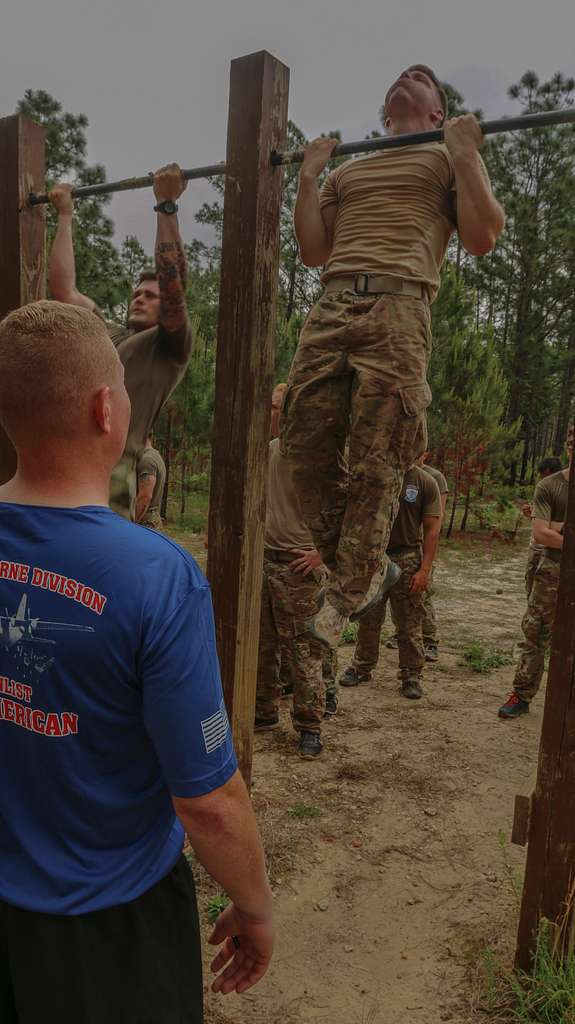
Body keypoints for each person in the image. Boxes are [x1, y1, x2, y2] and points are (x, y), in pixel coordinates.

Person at [0, 301, 273, 1024]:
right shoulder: (155, 577)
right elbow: (208, 801)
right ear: (105, 409)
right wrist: (255, 906)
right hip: (108, 927)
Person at [280, 64, 505, 647]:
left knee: (379, 460)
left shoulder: (445, 157)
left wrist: (466, 153)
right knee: (301, 441)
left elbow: (483, 237)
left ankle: (349, 590)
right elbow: (311, 250)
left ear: (437, 112)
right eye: (401, 75)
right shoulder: (351, 169)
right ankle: (368, 569)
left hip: (400, 307)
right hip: (332, 302)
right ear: (387, 112)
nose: (407, 75)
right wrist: (309, 176)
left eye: (422, 77)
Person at [46, 163, 193, 519]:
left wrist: (166, 205)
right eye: (136, 292)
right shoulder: (108, 334)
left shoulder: (169, 347)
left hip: (113, 471)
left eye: (149, 294)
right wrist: (65, 215)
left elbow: (173, 286)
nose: (138, 297)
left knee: (100, 566)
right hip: (68, 465)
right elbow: (64, 291)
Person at [255, 385, 337, 759]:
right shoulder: (268, 451)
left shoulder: (315, 457)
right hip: (265, 560)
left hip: (299, 566)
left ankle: (309, 725)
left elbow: (351, 506)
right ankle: (263, 711)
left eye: (273, 407)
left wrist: (323, 553)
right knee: (262, 645)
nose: (269, 414)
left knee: (305, 652)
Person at [339, 462, 442, 699]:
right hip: (374, 558)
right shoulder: (375, 474)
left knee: (409, 621)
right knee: (368, 616)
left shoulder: (425, 482)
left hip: (407, 557)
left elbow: (432, 530)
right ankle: (362, 667)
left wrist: (424, 570)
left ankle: (411, 675)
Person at [499, 429, 573, 719]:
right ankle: (522, 694)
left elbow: (551, 530)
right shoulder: (550, 485)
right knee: (535, 634)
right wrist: (556, 530)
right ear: (568, 447)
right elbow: (541, 534)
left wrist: (559, 528)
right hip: (552, 571)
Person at [387, 452, 448, 660]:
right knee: (373, 613)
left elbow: (435, 524)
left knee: (418, 602)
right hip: (381, 554)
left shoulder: (430, 479)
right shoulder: (384, 473)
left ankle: (428, 642)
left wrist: (425, 567)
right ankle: (363, 665)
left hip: (412, 551)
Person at [521, 456, 563, 598]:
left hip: (552, 550)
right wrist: (533, 514)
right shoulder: (545, 489)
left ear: (549, 472)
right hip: (537, 547)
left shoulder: (561, 490)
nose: (541, 479)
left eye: (543, 475)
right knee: (532, 585)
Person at [135, 439, 167, 528]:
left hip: (146, 522)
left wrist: (133, 524)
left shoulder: (147, 460)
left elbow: (145, 497)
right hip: (152, 519)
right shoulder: (156, 456)